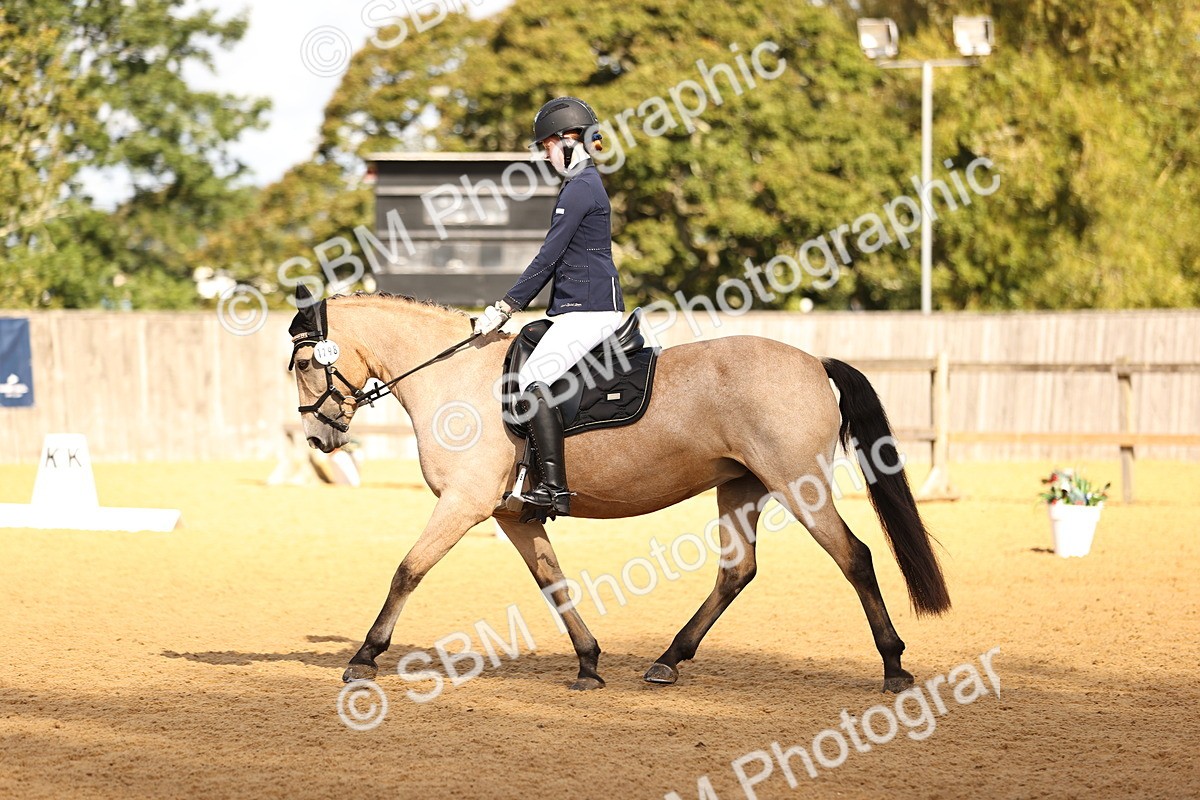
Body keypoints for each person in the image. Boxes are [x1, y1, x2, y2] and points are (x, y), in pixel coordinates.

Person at [473, 96, 625, 517]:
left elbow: (548, 257)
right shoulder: (579, 185)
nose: (545, 153)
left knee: (534, 379)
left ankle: (555, 488)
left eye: (548, 145)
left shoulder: (580, 188)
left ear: (571, 141)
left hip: (591, 309)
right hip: (577, 307)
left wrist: (505, 307)